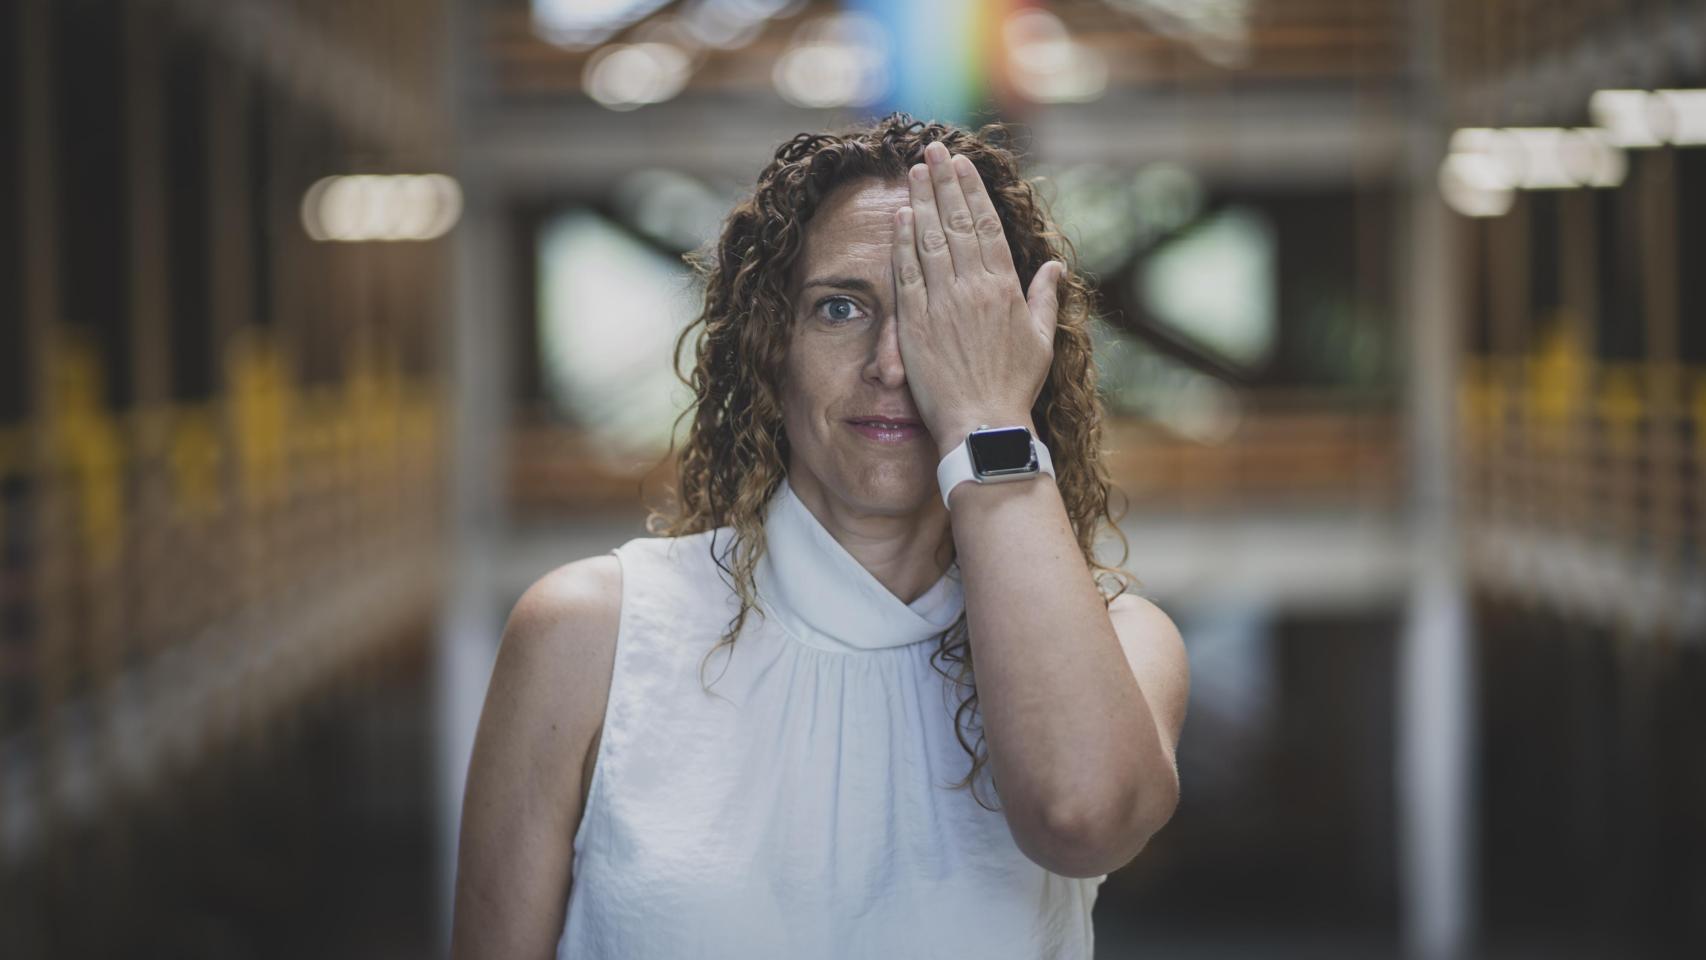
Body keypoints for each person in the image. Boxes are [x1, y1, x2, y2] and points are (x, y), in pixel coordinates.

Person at [450, 113, 1190, 960]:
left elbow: (1082, 818)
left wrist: (987, 415)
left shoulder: (1124, 644)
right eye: (840, 308)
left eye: (940, 314)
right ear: (775, 348)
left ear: (1016, 347)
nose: (891, 364)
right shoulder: (587, 634)